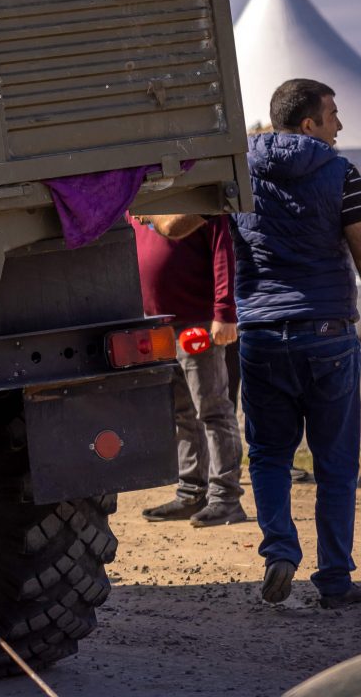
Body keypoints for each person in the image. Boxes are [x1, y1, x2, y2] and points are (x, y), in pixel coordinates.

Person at [233, 78, 361, 610]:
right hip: (328, 334)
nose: (340, 125)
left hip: (262, 335)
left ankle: (280, 551)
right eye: (333, 114)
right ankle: (334, 579)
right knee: (335, 461)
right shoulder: (341, 173)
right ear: (308, 123)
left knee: (267, 454)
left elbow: (178, 225)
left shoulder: (236, 172)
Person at [131, 211, 246, 527]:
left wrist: (224, 312)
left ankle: (225, 499)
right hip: (157, 327)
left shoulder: (196, 199)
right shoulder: (137, 199)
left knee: (212, 411)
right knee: (182, 412)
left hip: (197, 322)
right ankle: (191, 492)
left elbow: (224, 251)